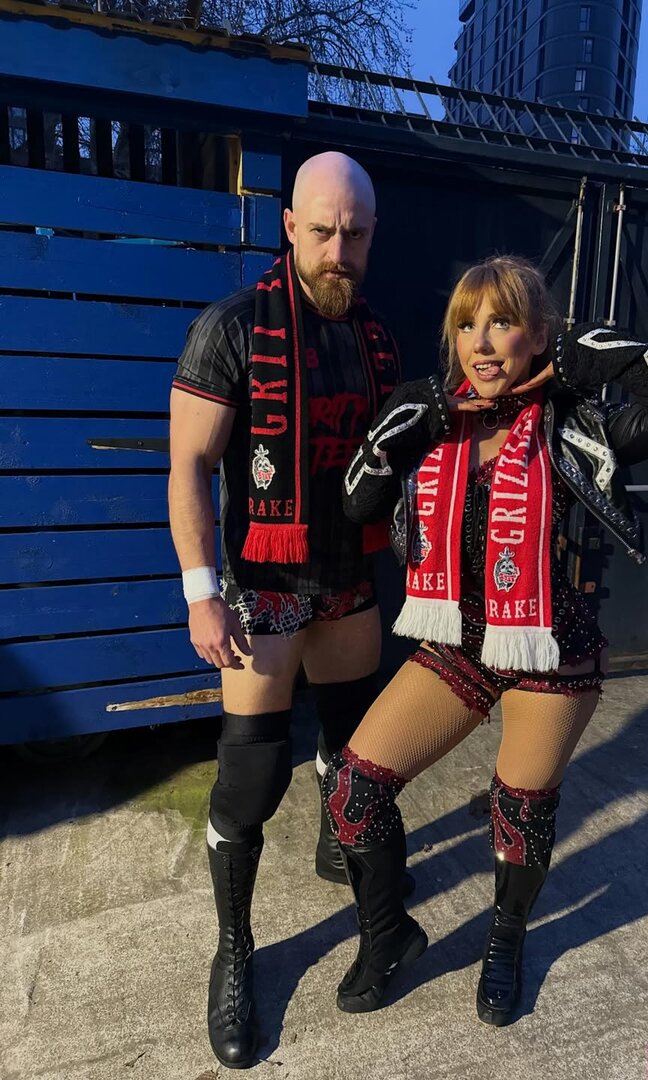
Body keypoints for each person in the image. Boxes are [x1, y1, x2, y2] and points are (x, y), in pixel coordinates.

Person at [321, 255, 648, 1025]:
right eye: (466, 324)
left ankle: (506, 937)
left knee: (519, 810)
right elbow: (357, 503)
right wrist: (399, 426)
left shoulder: (573, 425)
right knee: (353, 792)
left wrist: (585, 352)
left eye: (502, 322)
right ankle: (388, 934)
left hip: (550, 650)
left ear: (536, 335)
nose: (481, 341)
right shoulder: (437, 421)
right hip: (460, 643)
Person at [168, 151, 405, 1068]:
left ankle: (339, 846)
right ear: (290, 228)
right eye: (324, 232)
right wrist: (200, 594)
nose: (339, 252)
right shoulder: (231, 328)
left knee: (352, 754)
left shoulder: (379, 340)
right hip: (261, 591)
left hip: (349, 585)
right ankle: (235, 950)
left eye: (356, 235)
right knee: (249, 784)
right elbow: (189, 467)